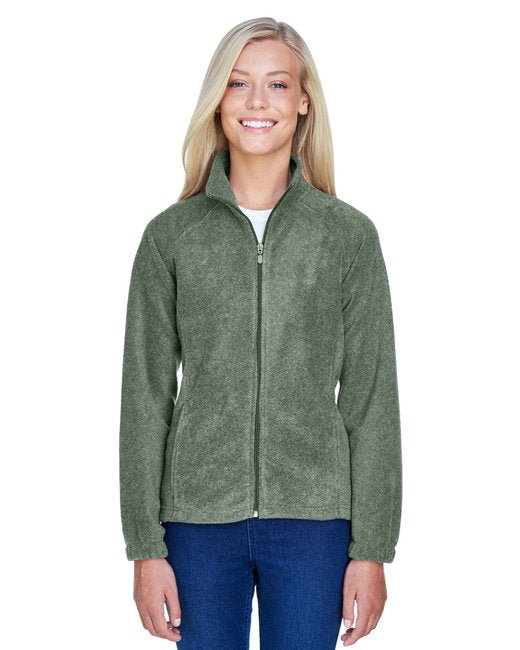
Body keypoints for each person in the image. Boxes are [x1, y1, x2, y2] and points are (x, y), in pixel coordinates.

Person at [119, 17, 402, 650]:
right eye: (237, 82)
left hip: (314, 525)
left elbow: (371, 400)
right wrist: (144, 546)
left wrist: (372, 549)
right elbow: (145, 398)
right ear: (217, 100)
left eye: (276, 84)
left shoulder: (348, 237)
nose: (256, 101)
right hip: (195, 523)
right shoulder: (171, 237)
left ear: (303, 102)